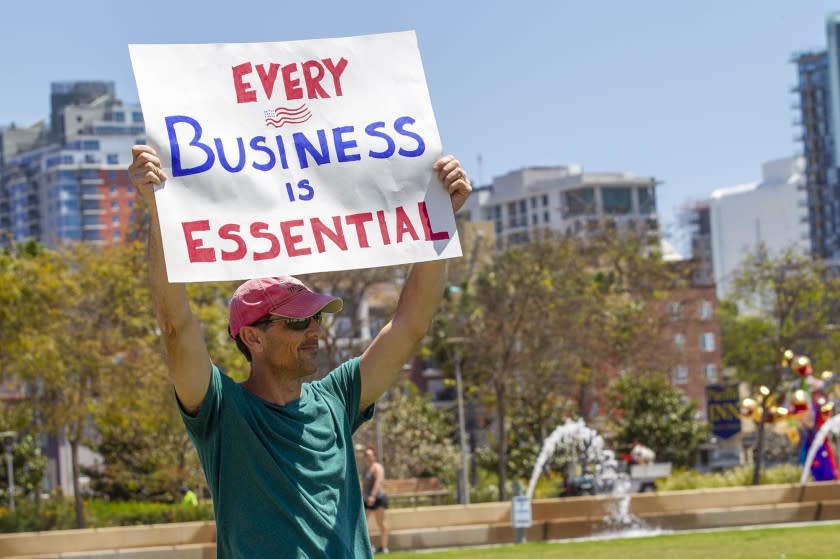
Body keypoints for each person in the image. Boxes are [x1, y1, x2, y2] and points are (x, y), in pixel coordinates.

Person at [128, 144, 471, 559]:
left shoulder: (338, 398)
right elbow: (175, 325)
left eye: (316, 319)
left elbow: (410, 324)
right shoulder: (221, 410)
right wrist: (159, 209)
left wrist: (442, 217)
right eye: (296, 322)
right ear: (252, 337)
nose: (313, 331)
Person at [362, 446, 389, 553]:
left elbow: (378, 482)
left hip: (378, 499)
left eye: (369, 455)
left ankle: (384, 547)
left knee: (381, 523)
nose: (367, 457)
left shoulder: (378, 467)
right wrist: (364, 496)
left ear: (374, 456)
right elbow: (364, 484)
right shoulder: (366, 469)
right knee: (363, 524)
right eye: (366, 455)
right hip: (367, 500)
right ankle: (369, 546)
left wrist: (372, 496)